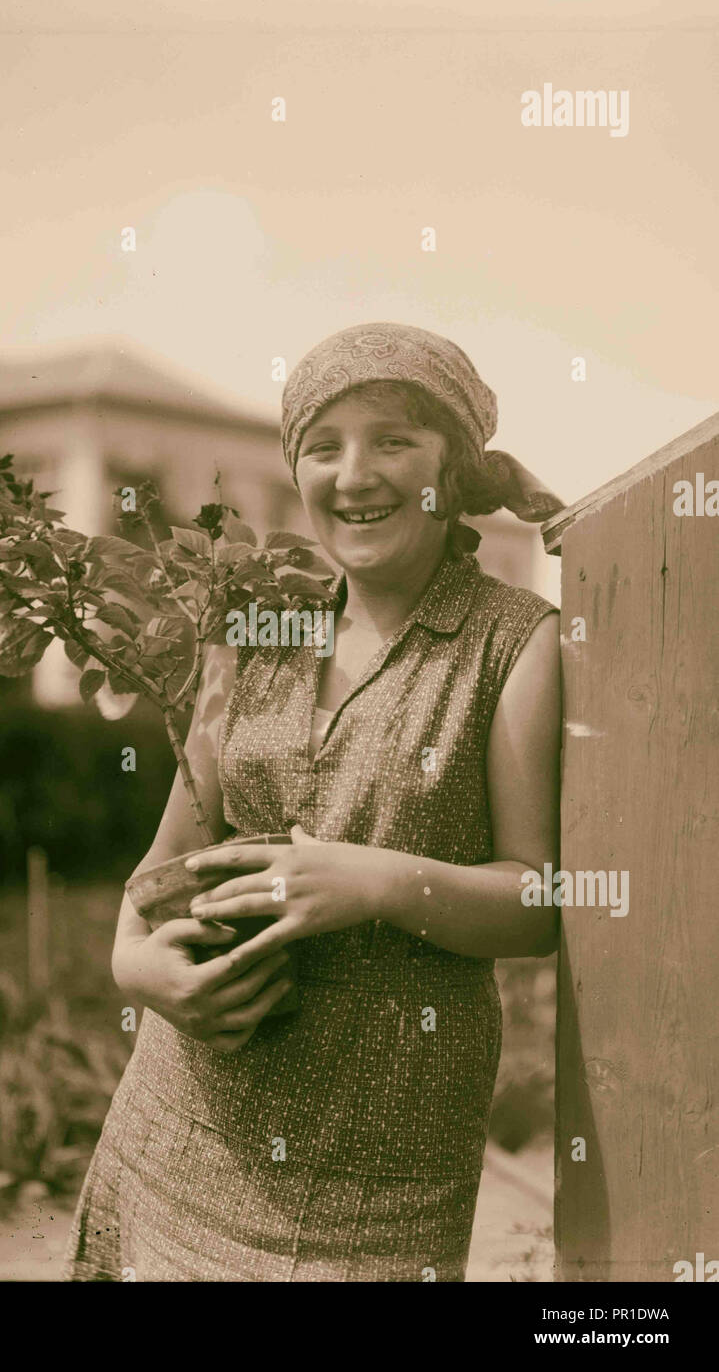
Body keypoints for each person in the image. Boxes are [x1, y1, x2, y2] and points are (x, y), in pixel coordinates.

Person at [63, 321, 564, 1282]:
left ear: (451, 471)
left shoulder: (513, 642)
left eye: (392, 441)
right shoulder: (251, 631)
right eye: (323, 448)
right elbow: (160, 869)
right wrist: (137, 968)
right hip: (181, 1124)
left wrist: (373, 883)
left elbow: (537, 902)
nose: (355, 473)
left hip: (380, 1160)